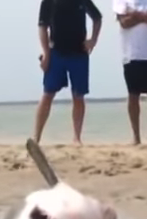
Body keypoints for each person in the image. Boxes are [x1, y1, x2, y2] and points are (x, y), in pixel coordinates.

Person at [34, 0, 103, 145]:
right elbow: (42, 27)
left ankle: (76, 137)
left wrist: (93, 41)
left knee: (78, 95)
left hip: (79, 52)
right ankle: (36, 137)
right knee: (48, 94)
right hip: (56, 52)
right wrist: (46, 53)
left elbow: (97, 17)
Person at [113, 0, 147, 146]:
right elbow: (124, 22)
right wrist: (146, 16)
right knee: (133, 94)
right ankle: (136, 136)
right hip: (131, 53)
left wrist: (136, 15)